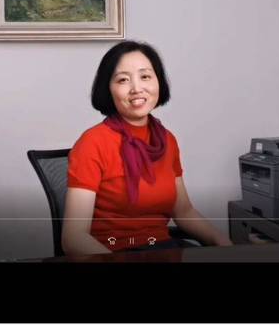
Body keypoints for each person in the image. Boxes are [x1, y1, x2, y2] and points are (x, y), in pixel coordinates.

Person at [62, 40, 233, 256]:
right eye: (123, 80)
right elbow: (74, 238)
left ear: (158, 81)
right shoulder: (92, 143)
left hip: (163, 249)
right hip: (112, 253)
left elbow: (184, 211)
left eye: (145, 77)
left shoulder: (167, 140)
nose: (136, 88)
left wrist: (223, 243)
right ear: (108, 89)